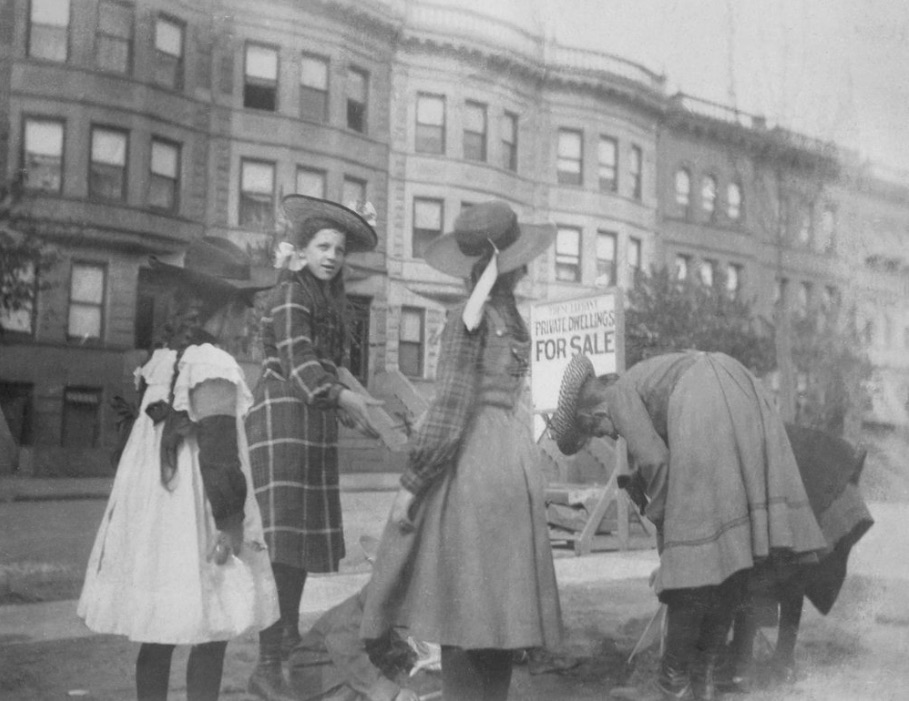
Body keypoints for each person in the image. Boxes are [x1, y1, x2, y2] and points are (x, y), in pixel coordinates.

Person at [360, 200, 563, 701]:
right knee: (497, 615)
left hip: (472, 466)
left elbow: (450, 410)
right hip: (513, 465)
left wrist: (411, 486)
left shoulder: (467, 320)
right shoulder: (513, 322)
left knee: (461, 608)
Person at [550, 351, 828, 701]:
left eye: (602, 432)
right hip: (740, 384)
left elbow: (655, 459)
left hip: (703, 399)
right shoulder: (643, 378)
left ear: (592, 416)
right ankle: (703, 680)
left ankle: (673, 682)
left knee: (688, 573)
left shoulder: (618, 395)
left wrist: (670, 544)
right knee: (733, 555)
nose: (612, 436)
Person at [78, 237, 280, 701]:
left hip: (158, 513)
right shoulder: (213, 364)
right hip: (198, 513)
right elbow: (219, 457)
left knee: (161, 625)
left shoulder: (163, 359)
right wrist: (230, 524)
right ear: (227, 307)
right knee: (213, 622)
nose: (249, 318)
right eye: (247, 305)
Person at [246, 194, 384, 701]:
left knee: (299, 547)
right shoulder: (289, 295)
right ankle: (267, 664)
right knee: (280, 547)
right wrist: (347, 400)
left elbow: (332, 373)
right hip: (282, 418)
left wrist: (363, 411)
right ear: (301, 252)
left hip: (313, 422)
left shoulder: (330, 303)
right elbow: (303, 368)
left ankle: (285, 650)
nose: (332, 256)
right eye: (323, 246)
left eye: (339, 249)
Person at [286, 585, 429, 701]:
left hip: (340, 665)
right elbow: (351, 659)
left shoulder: (374, 613)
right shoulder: (352, 618)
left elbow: (387, 641)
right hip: (315, 671)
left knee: (395, 673)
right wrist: (393, 694)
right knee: (357, 691)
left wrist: (410, 659)